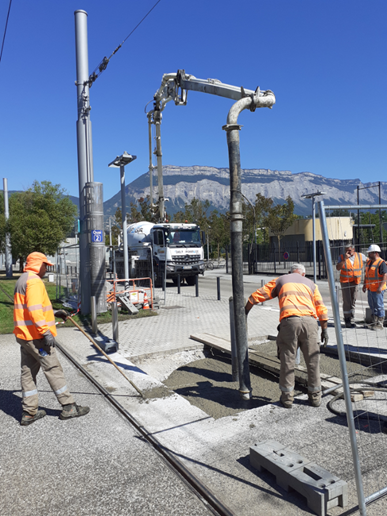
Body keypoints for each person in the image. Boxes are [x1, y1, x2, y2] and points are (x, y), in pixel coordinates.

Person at [14, 252, 90, 426]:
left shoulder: (22, 279)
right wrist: (45, 332)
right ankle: (69, 406)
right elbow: (33, 310)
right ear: (37, 264)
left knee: (27, 372)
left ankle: (29, 412)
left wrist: (54, 313)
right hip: (36, 336)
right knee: (53, 368)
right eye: (45, 265)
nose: (46, 268)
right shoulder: (33, 281)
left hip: (24, 335)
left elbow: (31, 308)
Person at [245, 263, 329, 409]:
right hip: (310, 323)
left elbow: (257, 295)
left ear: (289, 272)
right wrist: (325, 329)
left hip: (289, 323)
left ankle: (287, 399)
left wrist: (245, 311)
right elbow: (321, 307)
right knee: (313, 362)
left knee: (287, 361)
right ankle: (315, 398)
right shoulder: (311, 284)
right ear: (303, 274)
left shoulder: (281, 280)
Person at [336, 244, 367, 328]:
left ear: (353, 249)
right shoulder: (342, 257)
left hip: (355, 282)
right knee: (347, 301)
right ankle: (347, 319)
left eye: (349, 250)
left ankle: (352, 318)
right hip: (345, 282)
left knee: (353, 300)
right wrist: (345, 259)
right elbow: (338, 268)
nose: (347, 252)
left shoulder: (360, 256)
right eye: (346, 250)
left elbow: (370, 261)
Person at [362, 244, 387, 331]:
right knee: (372, 305)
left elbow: (384, 275)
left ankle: (380, 324)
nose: (368, 255)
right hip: (370, 288)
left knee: (379, 305)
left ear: (376, 253)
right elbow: (367, 275)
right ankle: (374, 322)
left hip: (377, 289)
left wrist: (380, 287)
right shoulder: (369, 262)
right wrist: (365, 285)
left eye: (370, 253)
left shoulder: (381, 263)